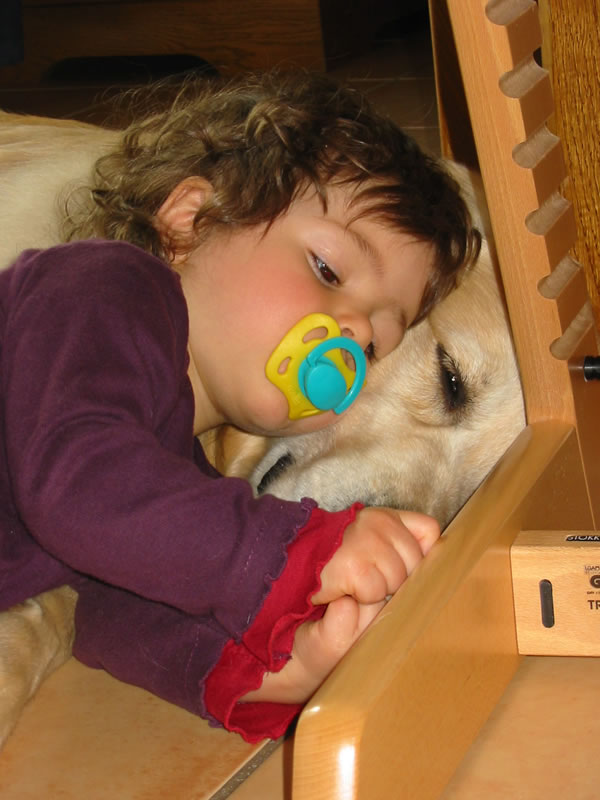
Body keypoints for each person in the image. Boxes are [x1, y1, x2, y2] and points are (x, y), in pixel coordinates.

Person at [0, 70, 481, 742]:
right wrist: (293, 553)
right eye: (327, 270)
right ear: (190, 222)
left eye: (374, 343)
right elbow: (81, 485)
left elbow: (112, 610)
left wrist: (274, 672)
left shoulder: (167, 471)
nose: (348, 334)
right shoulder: (94, 289)